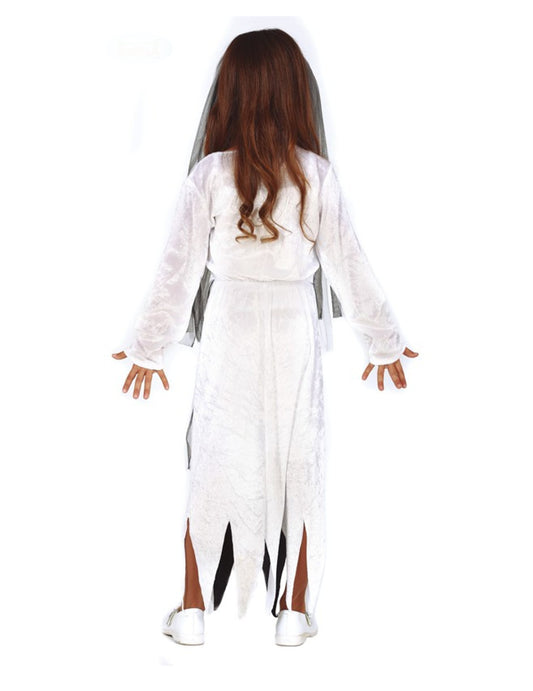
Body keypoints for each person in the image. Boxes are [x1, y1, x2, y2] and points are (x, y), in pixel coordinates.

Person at [112, 28, 418, 647]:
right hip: (293, 326)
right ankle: (294, 613)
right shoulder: (314, 174)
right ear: (295, 92)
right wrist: (382, 339)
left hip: (229, 323)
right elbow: (348, 263)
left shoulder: (211, 174)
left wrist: (149, 345)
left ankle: (192, 610)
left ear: (229, 92)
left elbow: (178, 269)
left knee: (213, 459)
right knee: (298, 460)